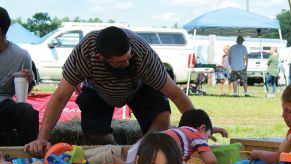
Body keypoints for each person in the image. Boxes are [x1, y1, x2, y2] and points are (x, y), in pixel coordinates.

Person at [24, 26, 227, 154]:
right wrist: (42, 138)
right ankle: (116, 154)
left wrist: (198, 128)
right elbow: (60, 97)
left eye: (128, 57)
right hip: (98, 89)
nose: (126, 62)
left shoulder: (142, 54)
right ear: (100, 57)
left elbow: (175, 93)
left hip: (139, 86)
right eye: (120, 62)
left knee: (162, 119)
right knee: (95, 137)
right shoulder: (84, 54)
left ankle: (142, 151)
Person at [0, 7, 38, 146]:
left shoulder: (21, 56)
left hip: (3, 106)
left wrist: (29, 81)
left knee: (26, 110)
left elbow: (22, 95)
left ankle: (28, 157)